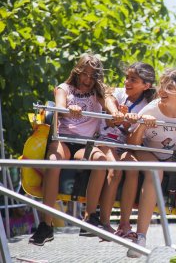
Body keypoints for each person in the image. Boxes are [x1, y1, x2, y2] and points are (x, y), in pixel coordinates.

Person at [29, 53, 123, 246]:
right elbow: (61, 105)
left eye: (92, 76)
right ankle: (46, 225)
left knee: (100, 162)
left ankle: (89, 216)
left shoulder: (100, 92)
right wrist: (68, 109)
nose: (88, 80)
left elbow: (111, 106)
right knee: (54, 163)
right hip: (64, 139)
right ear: (78, 72)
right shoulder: (64, 88)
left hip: (86, 143)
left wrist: (115, 114)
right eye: (85, 74)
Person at [126, 68, 176, 260]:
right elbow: (132, 143)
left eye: (168, 87)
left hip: (173, 153)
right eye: (162, 85)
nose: (161, 91)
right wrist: (143, 124)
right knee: (156, 171)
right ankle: (141, 237)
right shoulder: (152, 109)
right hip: (147, 150)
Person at [98, 62, 156, 238]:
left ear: (146, 86)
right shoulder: (118, 93)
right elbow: (108, 99)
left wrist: (136, 120)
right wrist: (116, 113)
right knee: (115, 170)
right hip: (105, 140)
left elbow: (138, 131)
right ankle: (104, 223)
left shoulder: (148, 104)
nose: (127, 82)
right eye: (127, 78)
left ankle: (124, 223)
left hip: (126, 144)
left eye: (133, 80)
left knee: (132, 169)